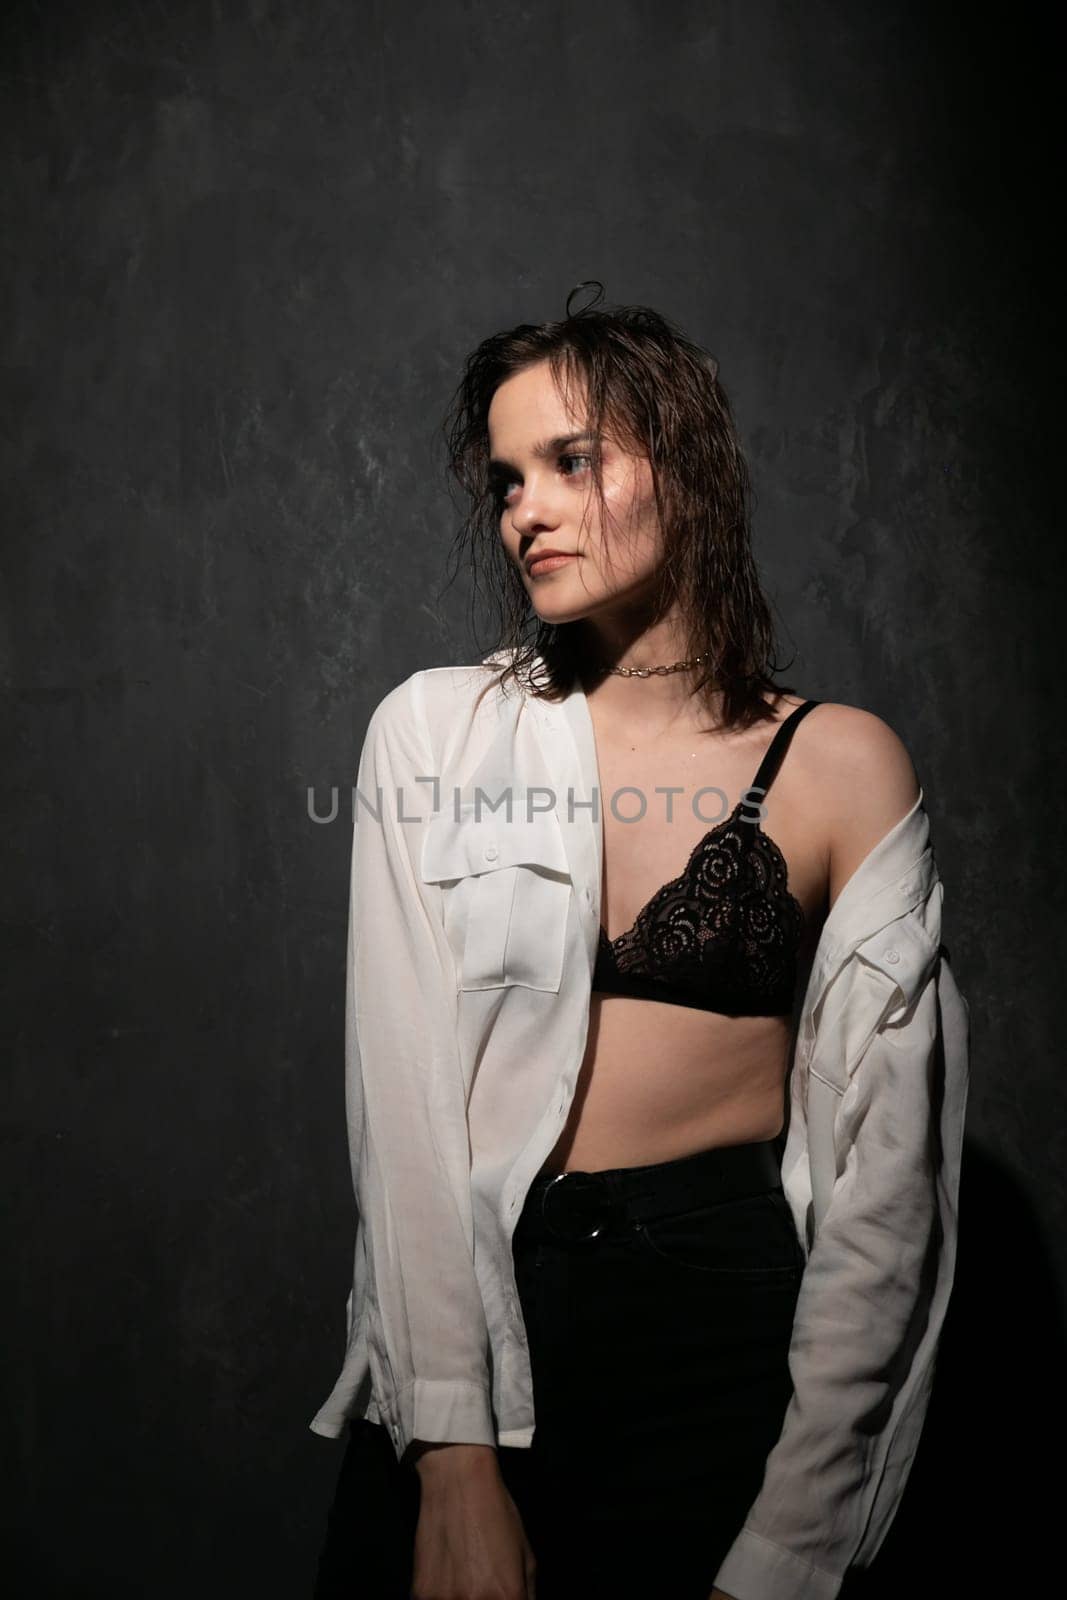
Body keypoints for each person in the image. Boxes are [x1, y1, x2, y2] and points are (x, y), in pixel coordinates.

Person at [310, 284, 970, 1600]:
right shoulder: (433, 735)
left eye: (571, 461)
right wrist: (452, 1458)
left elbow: (886, 1194)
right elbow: (404, 1108)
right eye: (505, 481)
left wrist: (793, 1546)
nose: (527, 510)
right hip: (483, 1309)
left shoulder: (841, 764)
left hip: (717, 1325)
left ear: (685, 460)